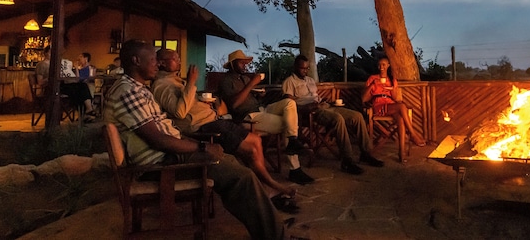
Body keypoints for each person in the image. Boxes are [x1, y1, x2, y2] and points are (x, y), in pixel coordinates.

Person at [105, 40, 288, 239]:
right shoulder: (128, 91)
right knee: (241, 177)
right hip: (161, 165)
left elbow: (165, 133)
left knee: (232, 164)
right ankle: (277, 235)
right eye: (152, 59)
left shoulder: (138, 89)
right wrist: (202, 147)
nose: (157, 63)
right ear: (136, 61)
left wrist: (199, 145)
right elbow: (158, 139)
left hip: (169, 156)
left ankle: (269, 223)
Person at [152, 48, 298, 206]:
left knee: (256, 140)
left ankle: (265, 187)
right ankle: (270, 186)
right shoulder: (162, 85)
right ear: (161, 63)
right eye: (175, 58)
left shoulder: (176, 81)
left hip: (215, 120)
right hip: (203, 127)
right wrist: (192, 82)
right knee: (251, 149)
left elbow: (188, 103)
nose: (179, 61)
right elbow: (180, 112)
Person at [218, 49, 315, 185]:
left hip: (262, 109)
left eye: (246, 63)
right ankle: (295, 169)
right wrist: (252, 84)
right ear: (232, 64)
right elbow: (234, 104)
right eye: (242, 63)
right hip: (248, 117)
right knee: (289, 125)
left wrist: (258, 95)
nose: (245, 65)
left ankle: (293, 143)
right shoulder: (226, 81)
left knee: (289, 103)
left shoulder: (244, 78)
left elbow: (248, 97)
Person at [282, 55, 384, 175]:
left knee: (357, 116)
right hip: (312, 112)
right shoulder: (289, 82)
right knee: (338, 119)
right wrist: (308, 107)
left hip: (325, 106)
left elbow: (315, 97)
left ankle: (366, 153)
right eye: (302, 68)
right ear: (295, 66)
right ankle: (347, 160)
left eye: (307, 68)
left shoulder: (310, 80)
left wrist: (325, 101)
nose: (305, 71)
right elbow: (289, 104)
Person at [362, 56, 426, 147]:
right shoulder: (372, 78)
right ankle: (413, 134)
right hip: (379, 105)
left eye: (383, 64)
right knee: (402, 106)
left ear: (388, 65)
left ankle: (401, 152)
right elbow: (364, 99)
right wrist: (372, 85)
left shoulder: (392, 80)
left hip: (390, 105)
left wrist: (392, 89)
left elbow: (395, 98)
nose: (381, 67)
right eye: (379, 65)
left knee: (400, 119)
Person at [36, 45, 98, 122]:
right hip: (53, 87)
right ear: (45, 53)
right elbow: (40, 82)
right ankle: (87, 113)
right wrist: (51, 77)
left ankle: (88, 110)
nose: (53, 55)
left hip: (64, 84)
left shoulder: (59, 63)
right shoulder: (41, 65)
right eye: (50, 52)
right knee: (77, 90)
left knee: (82, 86)